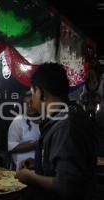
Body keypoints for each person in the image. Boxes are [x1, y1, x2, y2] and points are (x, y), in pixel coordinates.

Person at [15, 63, 97, 200]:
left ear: (41, 93)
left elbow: (67, 185)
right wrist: (40, 162)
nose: (32, 99)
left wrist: (31, 177)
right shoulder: (67, 115)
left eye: (33, 91)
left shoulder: (66, 125)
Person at [7, 91, 40, 170]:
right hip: (23, 168)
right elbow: (11, 148)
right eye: (26, 104)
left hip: (40, 168)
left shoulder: (45, 119)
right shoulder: (18, 121)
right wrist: (37, 144)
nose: (29, 106)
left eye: (32, 102)